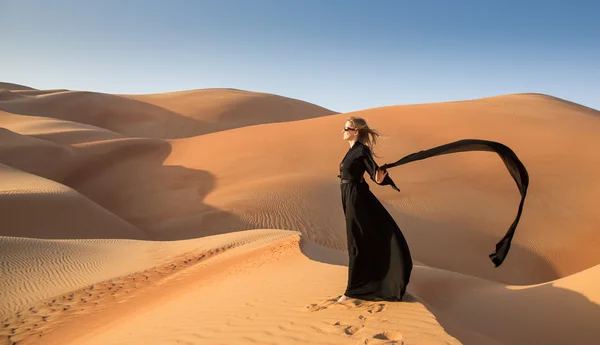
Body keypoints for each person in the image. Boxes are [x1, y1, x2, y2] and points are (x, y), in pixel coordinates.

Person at [337, 116, 413, 303]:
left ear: (356, 131)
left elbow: (374, 174)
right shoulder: (352, 150)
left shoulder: (362, 150)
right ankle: (365, 284)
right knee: (357, 240)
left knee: (355, 242)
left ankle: (352, 291)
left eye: (346, 128)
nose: (343, 131)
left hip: (356, 197)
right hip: (349, 196)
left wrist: (380, 179)